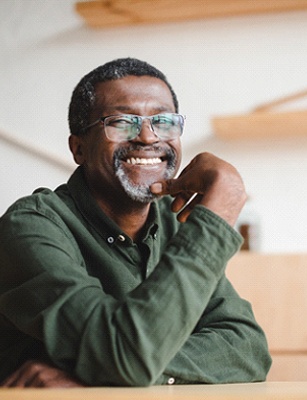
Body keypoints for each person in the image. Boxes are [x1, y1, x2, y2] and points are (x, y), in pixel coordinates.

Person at [0, 58, 271, 387]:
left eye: (164, 121)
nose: (147, 137)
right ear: (79, 148)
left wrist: (105, 372)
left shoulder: (176, 221)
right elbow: (125, 357)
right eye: (121, 122)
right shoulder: (30, 226)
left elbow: (248, 349)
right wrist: (216, 213)